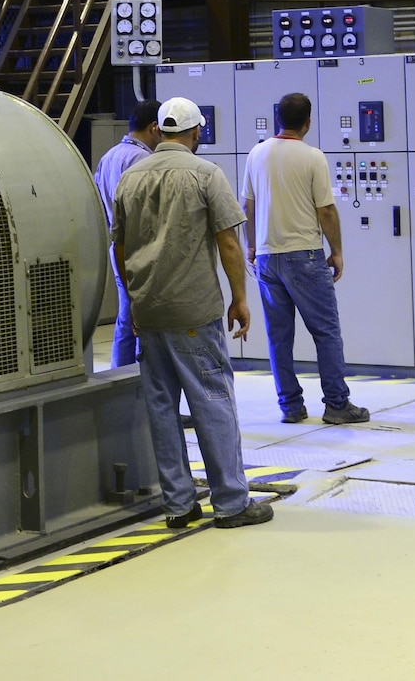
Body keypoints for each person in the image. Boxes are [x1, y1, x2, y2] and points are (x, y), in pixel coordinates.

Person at [110, 97, 272, 531]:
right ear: (196, 132)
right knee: (212, 401)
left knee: (162, 408)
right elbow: (229, 242)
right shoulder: (205, 174)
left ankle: (179, 505)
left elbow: (120, 247)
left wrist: (134, 299)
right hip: (194, 311)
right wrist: (240, 298)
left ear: (160, 131)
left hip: (149, 310)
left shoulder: (130, 177)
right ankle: (232, 503)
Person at [242, 92, 371, 426]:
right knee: (326, 332)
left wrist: (252, 247)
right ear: (308, 123)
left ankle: (290, 406)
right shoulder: (313, 157)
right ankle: (337, 404)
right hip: (304, 256)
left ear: (277, 119)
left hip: (268, 258)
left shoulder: (256, 153)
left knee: (278, 337)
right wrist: (337, 251)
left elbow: (248, 206)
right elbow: (325, 210)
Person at [93, 100, 161, 369]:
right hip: (141, 249)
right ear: (154, 127)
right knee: (145, 317)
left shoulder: (109, 156)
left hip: (117, 247)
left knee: (125, 314)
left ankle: (119, 373)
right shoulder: (144, 160)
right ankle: (147, 376)